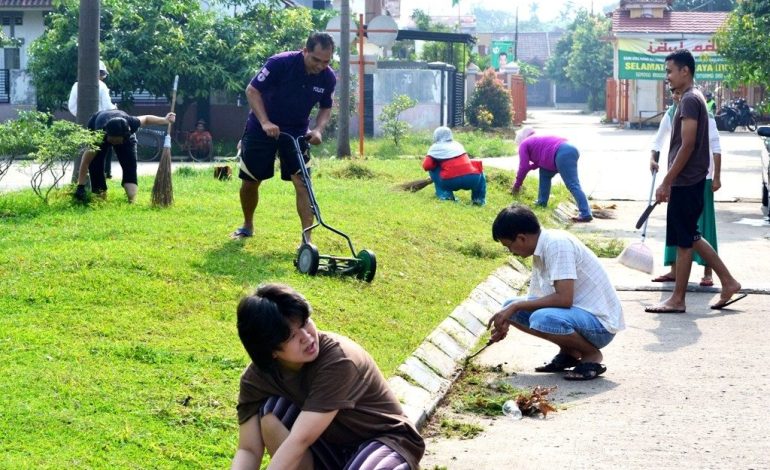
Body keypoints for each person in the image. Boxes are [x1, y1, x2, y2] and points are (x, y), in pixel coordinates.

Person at [232, 283, 425, 469]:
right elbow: (248, 450)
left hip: (385, 442)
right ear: (270, 351)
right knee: (272, 410)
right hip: (332, 448)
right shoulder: (256, 379)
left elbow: (301, 439)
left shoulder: (339, 359)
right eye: (291, 336)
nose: (307, 337)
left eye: (305, 322)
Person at [644, 49, 745, 313]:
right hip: (689, 179)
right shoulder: (691, 98)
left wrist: (667, 180)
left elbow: (687, 145)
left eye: (670, 71)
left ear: (684, 71)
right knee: (691, 236)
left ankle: (678, 299)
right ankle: (729, 281)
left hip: (686, 180)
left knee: (686, 240)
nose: (667, 77)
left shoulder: (690, 100)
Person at [487, 204, 624, 380]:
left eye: (509, 246)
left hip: (600, 325)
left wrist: (516, 305)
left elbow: (564, 299)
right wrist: (509, 314)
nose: (510, 252)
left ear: (521, 238)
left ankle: (591, 355)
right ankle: (570, 352)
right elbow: (538, 299)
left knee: (541, 317)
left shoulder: (557, 245)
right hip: (579, 316)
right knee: (509, 307)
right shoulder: (540, 249)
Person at [230, 32, 336, 241]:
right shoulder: (280, 63)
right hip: (261, 128)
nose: (320, 66)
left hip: (297, 133)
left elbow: (326, 107)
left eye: (326, 61)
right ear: (304, 51)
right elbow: (252, 90)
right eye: (316, 59)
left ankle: (307, 240)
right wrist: (265, 122)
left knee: (303, 182)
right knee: (251, 180)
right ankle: (247, 225)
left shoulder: (328, 77)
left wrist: (318, 130)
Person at [651, 88, 722, 287]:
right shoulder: (673, 112)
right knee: (683, 231)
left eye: (671, 72)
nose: (674, 94)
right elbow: (659, 140)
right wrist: (653, 158)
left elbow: (694, 146)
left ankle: (711, 273)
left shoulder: (694, 105)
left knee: (694, 230)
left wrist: (716, 176)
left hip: (695, 178)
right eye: (671, 93)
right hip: (679, 178)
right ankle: (678, 277)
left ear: (685, 73)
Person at [73, 109, 176, 203]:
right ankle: (100, 198)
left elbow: (146, 119)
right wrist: (80, 186)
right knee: (96, 165)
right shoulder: (99, 137)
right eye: (112, 140)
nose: (114, 143)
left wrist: (165, 120)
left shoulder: (131, 123)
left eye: (117, 140)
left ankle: (132, 201)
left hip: (124, 131)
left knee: (130, 165)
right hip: (97, 121)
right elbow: (86, 161)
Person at [512, 127, 593, 222]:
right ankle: (541, 202)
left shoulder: (524, 144)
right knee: (544, 174)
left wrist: (517, 185)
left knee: (572, 184)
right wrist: (530, 167)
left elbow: (523, 167)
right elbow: (539, 160)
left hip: (562, 153)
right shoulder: (536, 138)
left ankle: (585, 213)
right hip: (567, 149)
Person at [69, 60, 117, 179]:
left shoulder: (76, 85)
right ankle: (106, 172)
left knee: (85, 147)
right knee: (106, 144)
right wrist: (115, 108)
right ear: (99, 73)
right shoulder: (102, 85)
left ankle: (82, 174)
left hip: (81, 121)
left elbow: (71, 106)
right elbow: (107, 106)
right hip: (100, 121)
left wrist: (81, 117)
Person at [421, 126, 486, 205]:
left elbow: (426, 166)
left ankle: (446, 196)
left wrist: (437, 163)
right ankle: (478, 200)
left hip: (450, 181)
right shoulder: (457, 145)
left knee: (433, 169)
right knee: (478, 169)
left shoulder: (435, 147)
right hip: (472, 179)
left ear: (436, 136)